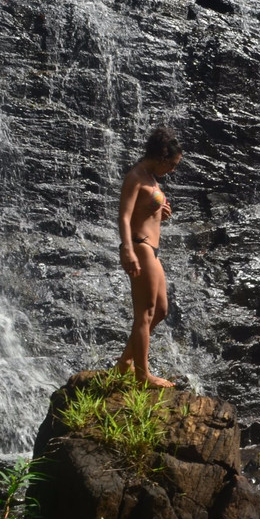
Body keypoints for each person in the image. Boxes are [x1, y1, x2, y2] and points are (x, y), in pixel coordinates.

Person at [114, 125, 183, 387]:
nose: (173, 170)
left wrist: (160, 212)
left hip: (152, 249)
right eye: (172, 164)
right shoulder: (135, 177)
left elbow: (146, 211)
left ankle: (124, 363)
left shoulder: (151, 178)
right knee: (144, 313)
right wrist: (127, 248)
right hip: (140, 246)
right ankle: (143, 375)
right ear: (162, 156)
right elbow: (124, 215)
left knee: (161, 310)